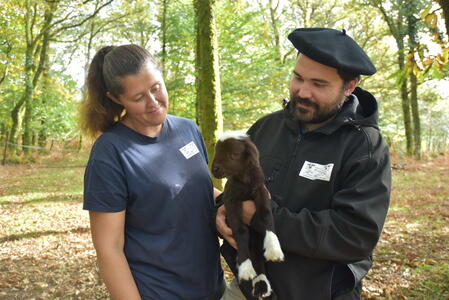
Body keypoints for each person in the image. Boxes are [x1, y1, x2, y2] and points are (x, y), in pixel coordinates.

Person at [217, 28, 391, 299]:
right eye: (298, 78)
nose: (303, 92)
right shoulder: (265, 128)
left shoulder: (365, 147)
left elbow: (355, 234)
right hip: (248, 288)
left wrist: (265, 218)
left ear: (350, 86)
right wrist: (223, 210)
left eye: (319, 84)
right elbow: (237, 188)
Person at [80, 44, 224, 299]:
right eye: (138, 98)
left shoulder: (188, 130)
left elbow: (196, 188)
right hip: (159, 292)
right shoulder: (111, 152)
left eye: (156, 88)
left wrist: (226, 206)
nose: (153, 102)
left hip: (213, 288)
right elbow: (109, 249)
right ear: (116, 98)